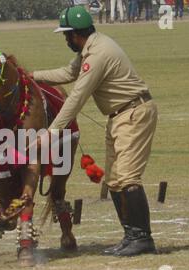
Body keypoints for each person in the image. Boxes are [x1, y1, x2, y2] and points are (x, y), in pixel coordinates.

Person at [31, 5, 158, 257]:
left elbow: (77, 97)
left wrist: (52, 132)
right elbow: (68, 73)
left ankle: (142, 238)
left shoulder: (97, 54)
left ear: (76, 34)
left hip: (133, 113)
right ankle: (130, 236)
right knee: (114, 179)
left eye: (67, 35)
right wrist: (31, 76)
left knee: (128, 178)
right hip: (120, 115)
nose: (66, 40)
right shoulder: (92, 46)